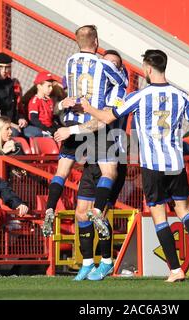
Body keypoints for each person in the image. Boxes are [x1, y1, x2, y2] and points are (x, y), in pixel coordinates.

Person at [80, 49, 189, 282]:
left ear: (148, 68)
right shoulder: (182, 95)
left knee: (159, 216)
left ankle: (175, 270)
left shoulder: (139, 96)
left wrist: (88, 107)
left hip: (152, 166)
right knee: (184, 211)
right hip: (175, 164)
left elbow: (107, 118)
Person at [41, 24, 126, 243]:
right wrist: (112, 103)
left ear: (77, 41)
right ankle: (98, 211)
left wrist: (67, 103)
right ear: (96, 42)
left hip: (70, 121)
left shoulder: (70, 62)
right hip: (93, 124)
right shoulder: (104, 64)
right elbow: (122, 83)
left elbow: (67, 87)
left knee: (62, 171)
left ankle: (50, 209)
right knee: (110, 172)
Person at [0, 52, 28, 136]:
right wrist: (10, 124)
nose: (4, 71)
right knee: (15, 133)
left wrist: (21, 118)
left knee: (36, 133)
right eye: (0, 67)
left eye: (7, 67)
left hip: (13, 122)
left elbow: (15, 107)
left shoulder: (10, 83)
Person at [26, 71, 60, 137]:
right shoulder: (35, 101)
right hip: (41, 129)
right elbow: (33, 119)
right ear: (39, 86)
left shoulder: (49, 100)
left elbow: (51, 118)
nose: (51, 88)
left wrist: (56, 127)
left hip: (49, 128)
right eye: (48, 86)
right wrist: (46, 129)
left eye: (51, 86)